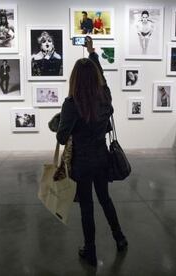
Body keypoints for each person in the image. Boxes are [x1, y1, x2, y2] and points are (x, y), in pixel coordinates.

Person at [56, 36, 127, 267]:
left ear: (74, 79)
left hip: (82, 163)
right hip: (101, 158)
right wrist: (92, 52)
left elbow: (61, 137)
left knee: (87, 206)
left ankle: (91, 251)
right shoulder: (105, 97)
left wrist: (59, 122)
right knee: (105, 199)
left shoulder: (71, 103)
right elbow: (103, 79)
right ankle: (120, 238)